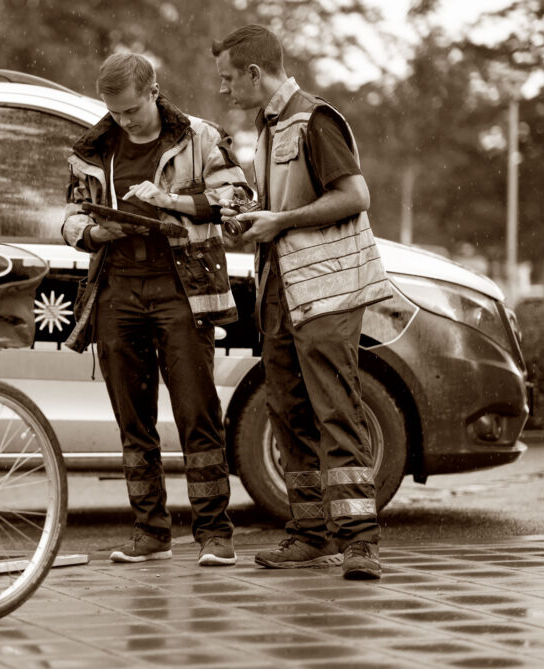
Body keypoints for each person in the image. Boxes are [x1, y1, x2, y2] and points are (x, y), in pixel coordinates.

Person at [212, 24, 394, 580]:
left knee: (336, 409)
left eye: (228, 80)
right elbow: (283, 210)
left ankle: (361, 542)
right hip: (281, 294)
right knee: (288, 412)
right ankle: (311, 534)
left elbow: (354, 195)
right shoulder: (269, 130)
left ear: (254, 73)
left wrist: (280, 221)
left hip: (326, 295)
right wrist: (249, 219)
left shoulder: (315, 119)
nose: (224, 92)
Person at [61, 52, 251, 567]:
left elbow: (237, 202)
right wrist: (97, 231)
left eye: (132, 111)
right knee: (132, 418)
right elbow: (70, 218)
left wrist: (168, 201)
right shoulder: (90, 148)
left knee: (197, 412)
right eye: (116, 112)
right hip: (116, 290)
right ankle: (150, 531)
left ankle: (215, 532)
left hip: (182, 289)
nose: (124, 121)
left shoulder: (200, 138)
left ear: (154, 91)